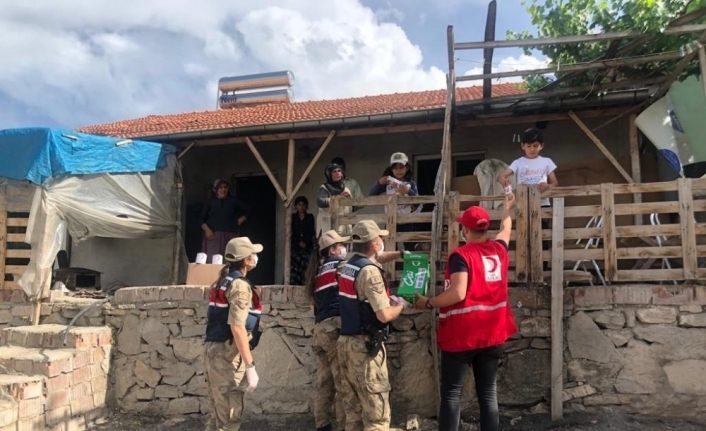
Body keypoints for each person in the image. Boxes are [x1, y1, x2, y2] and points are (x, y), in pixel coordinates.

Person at [414, 194, 517, 431]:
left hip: (463, 335)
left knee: (451, 394)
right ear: (485, 228)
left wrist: (429, 302)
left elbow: (458, 294)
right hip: (493, 334)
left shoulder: (461, 256)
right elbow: (506, 230)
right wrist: (507, 209)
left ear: (464, 230)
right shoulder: (498, 250)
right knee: (488, 394)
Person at [336, 220, 409, 431]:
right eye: (381, 239)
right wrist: (401, 306)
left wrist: (400, 255)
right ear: (375, 244)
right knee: (377, 417)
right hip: (364, 348)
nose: (383, 242)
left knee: (354, 415)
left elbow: (374, 259)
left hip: (345, 344)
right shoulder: (370, 273)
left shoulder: (348, 265)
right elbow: (384, 314)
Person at [204, 237, 263, 431]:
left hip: (214, 350)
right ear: (246, 260)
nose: (256, 257)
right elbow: (237, 327)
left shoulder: (221, 281)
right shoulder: (239, 285)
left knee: (218, 415)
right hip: (228, 355)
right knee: (229, 417)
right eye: (253, 254)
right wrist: (250, 365)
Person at [310, 230, 350, 431]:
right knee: (342, 380)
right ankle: (343, 426)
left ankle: (322, 424)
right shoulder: (340, 266)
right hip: (335, 327)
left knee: (324, 381)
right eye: (341, 245)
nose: (345, 248)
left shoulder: (317, 271)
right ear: (333, 250)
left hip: (320, 329)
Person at [370, 152, 420, 250]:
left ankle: (407, 265)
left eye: (401, 167)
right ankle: (394, 266)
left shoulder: (411, 184)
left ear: (407, 168)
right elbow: (372, 194)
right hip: (390, 220)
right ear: (391, 169)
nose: (398, 171)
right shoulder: (388, 184)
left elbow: (418, 203)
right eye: (395, 168)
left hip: (406, 221)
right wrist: (379, 183)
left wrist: (408, 191)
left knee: (409, 247)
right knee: (390, 247)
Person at [498, 127, 558, 206]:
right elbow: (501, 176)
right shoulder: (518, 162)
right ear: (523, 146)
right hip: (523, 204)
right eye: (529, 146)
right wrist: (505, 184)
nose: (532, 149)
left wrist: (547, 186)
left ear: (541, 146)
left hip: (542, 204)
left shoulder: (547, 161)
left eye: (535, 146)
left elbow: (555, 183)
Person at [200, 179, 249, 260]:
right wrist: (207, 230)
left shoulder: (233, 201)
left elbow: (248, 210)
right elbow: (201, 218)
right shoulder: (210, 202)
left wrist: (242, 219)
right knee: (213, 260)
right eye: (220, 187)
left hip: (230, 235)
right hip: (213, 236)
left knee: (230, 260)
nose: (223, 189)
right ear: (215, 190)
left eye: (225, 187)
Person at [317, 163, 351, 235]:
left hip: (343, 227)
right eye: (334, 172)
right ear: (329, 174)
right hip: (328, 227)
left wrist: (349, 199)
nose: (337, 173)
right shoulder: (324, 188)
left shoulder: (345, 189)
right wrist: (336, 199)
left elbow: (353, 206)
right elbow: (320, 201)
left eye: (339, 171)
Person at [291, 196, 316, 285]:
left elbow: (311, 232)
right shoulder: (293, 217)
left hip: (307, 247)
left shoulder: (310, 217)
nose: (301, 207)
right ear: (296, 206)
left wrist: (306, 242)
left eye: (303, 205)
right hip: (296, 247)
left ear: (306, 206)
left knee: (306, 267)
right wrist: (298, 242)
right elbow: (291, 232)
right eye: (299, 205)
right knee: (295, 268)